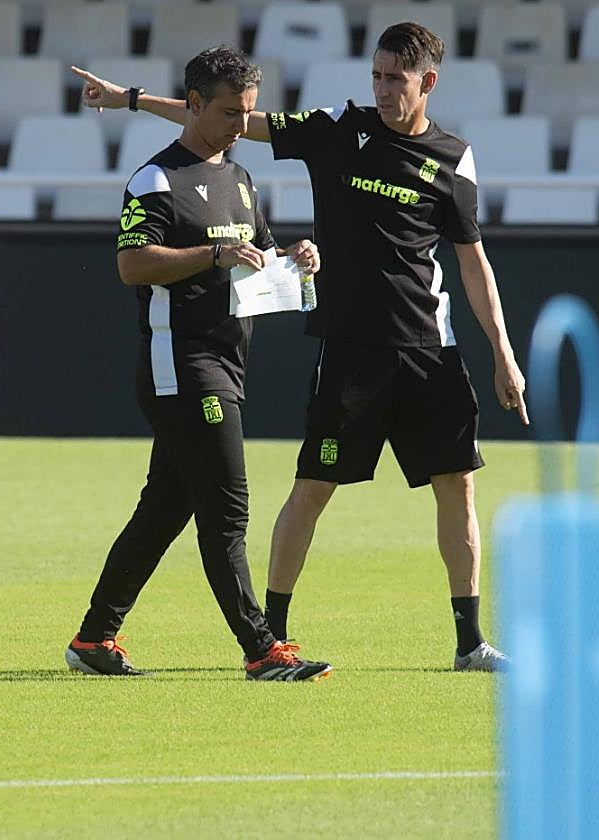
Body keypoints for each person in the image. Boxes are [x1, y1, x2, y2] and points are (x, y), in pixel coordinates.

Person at [72, 22, 529, 672]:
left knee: (456, 487)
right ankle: (269, 640)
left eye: (395, 79)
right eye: (376, 76)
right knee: (295, 493)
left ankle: (468, 641)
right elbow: (229, 118)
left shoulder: (452, 159)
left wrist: (502, 352)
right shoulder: (338, 129)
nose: (382, 89)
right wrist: (132, 100)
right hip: (344, 352)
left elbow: (472, 261)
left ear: (427, 82)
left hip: (429, 349)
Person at [65, 45, 331, 682]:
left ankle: (93, 638)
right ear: (192, 104)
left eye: (247, 112)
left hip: (226, 363)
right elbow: (132, 264)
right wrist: (211, 256)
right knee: (227, 509)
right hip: (182, 365)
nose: (241, 125)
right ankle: (262, 649)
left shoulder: (240, 179)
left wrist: (297, 259)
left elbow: (258, 257)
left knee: (164, 510)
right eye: (229, 112)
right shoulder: (155, 180)